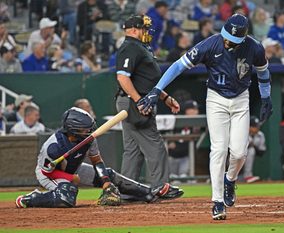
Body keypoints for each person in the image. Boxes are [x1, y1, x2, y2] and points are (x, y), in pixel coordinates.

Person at [137, 14, 273, 220]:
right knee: (218, 149)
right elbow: (177, 66)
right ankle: (217, 201)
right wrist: (157, 90)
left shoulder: (255, 48)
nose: (228, 42)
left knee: (239, 152)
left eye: (234, 40)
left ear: (244, 38)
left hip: (241, 99)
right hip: (216, 98)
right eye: (227, 37)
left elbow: (263, 72)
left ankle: (230, 180)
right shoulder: (210, 44)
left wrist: (266, 97)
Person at [15, 107, 183, 208]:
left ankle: (149, 193)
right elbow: (48, 172)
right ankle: (33, 198)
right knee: (67, 195)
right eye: (84, 130)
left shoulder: (88, 140)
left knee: (108, 174)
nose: (89, 132)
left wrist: (106, 182)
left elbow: (96, 160)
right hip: (49, 174)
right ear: (73, 130)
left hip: (73, 169)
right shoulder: (53, 147)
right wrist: (71, 178)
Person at [115, 15, 181, 187]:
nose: (147, 32)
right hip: (134, 102)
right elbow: (122, 77)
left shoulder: (139, 47)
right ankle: (161, 187)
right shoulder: (130, 47)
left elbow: (146, 80)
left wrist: (165, 97)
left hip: (134, 99)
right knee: (155, 146)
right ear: (134, 30)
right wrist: (139, 101)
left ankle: (127, 190)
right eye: (144, 29)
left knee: (133, 151)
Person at [168, 100, 199, 181]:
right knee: (173, 178)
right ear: (187, 110)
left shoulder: (197, 124)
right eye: (194, 109)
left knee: (184, 177)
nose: (196, 111)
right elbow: (165, 133)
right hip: (173, 156)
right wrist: (170, 142)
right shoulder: (176, 121)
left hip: (186, 156)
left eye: (196, 109)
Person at [243, 116, 266, 183]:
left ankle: (248, 176)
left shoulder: (260, 135)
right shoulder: (242, 133)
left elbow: (261, 152)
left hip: (247, 156)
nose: (257, 128)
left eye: (258, 126)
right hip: (233, 156)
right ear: (249, 127)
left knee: (251, 150)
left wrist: (253, 145)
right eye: (255, 126)